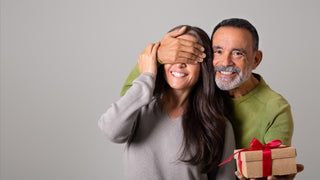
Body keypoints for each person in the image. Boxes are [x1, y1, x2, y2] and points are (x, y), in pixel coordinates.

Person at [120, 18, 304, 180]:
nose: (225, 63)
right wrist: (158, 55)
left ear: (256, 59)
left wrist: (276, 174)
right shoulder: (197, 85)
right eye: (218, 51)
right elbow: (128, 101)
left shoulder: (276, 109)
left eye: (238, 53)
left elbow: (277, 167)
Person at [99, 25, 236, 180]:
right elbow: (110, 131)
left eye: (190, 57)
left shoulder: (219, 126)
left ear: (203, 68)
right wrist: (147, 76)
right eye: (174, 56)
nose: (180, 64)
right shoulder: (139, 107)